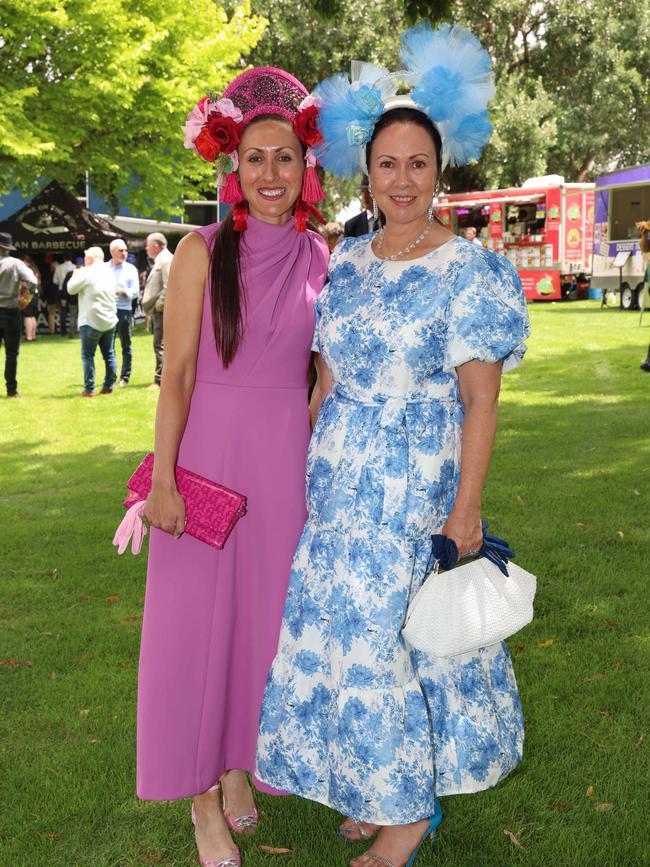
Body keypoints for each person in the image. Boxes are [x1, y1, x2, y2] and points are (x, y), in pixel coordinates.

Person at [257, 22, 531, 867]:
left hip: (415, 484)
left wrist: (468, 505)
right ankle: (380, 784)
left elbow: (481, 399)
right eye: (387, 164)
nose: (402, 180)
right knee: (346, 637)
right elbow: (327, 379)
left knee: (393, 639)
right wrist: (296, 464)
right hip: (338, 480)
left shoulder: (469, 268)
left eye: (418, 163)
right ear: (365, 172)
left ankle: (407, 817)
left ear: (437, 171)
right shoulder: (348, 262)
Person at [136, 67, 329, 867]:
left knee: (264, 628)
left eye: (285, 157)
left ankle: (243, 765)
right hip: (206, 464)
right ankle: (202, 801)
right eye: (256, 157)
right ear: (232, 164)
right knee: (191, 635)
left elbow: (325, 375)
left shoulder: (325, 255)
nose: (271, 174)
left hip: (284, 473)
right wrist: (167, 479)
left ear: (306, 167)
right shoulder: (198, 251)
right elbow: (176, 373)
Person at [67, 246, 118, 396]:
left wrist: (75, 274)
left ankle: (89, 388)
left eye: (85, 257)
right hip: (109, 319)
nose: (84, 260)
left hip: (91, 320)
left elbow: (70, 289)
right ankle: (109, 385)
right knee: (109, 354)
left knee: (88, 355)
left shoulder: (86, 272)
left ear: (90, 258)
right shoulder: (110, 272)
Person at [0, 232, 38, 397]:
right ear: (8, 248)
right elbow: (32, 281)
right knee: (11, 353)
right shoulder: (16, 263)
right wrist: (24, 300)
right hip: (10, 311)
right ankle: (11, 390)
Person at [107, 238, 140, 386]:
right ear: (112, 251)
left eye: (126, 250)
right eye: (121, 250)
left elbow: (135, 292)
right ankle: (110, 378)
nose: (125, 253)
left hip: (124, 311)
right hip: (107, 310)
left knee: (126, 345)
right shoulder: (103, 268)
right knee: (109, 346)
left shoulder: (131, 269)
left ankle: (124, 377)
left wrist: (123, 291)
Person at [142, 232, 173, 389]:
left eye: (147, 245)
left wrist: (158, 306)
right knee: (160, 344)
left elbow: (169, 287)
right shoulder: (162, 259)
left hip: (162, 310)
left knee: (160, 344)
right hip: (160, 309)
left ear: (155, 245)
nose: (146, 248)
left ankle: (159, 380)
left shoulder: (166, 260)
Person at [20, 255, 41, 342]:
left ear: (24, 261)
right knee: (32, 316)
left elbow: (24, 284)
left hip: (28, 294)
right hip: (34, 294)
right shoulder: (34, 269)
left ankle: (29, 337)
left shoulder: (25, 270)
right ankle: (33, 336)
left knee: (27, 316)